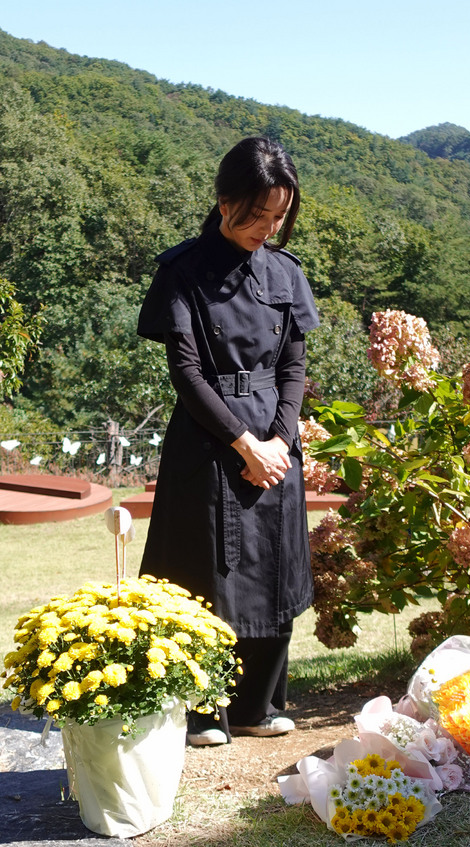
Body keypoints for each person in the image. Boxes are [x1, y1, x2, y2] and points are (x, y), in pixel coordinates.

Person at [137, 137, 319, 746]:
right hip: (209, 438)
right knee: (205, 572)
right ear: (224, 202)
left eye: (279, 216)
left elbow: (293, 368)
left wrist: (281, 440)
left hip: (274, 437)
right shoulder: (182, 271)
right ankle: (200, 712)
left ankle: (256, 707)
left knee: (272, 568)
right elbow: (187, 373)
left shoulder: (286, 274)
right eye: (256, 214)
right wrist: (245, 444)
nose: (267, 228)